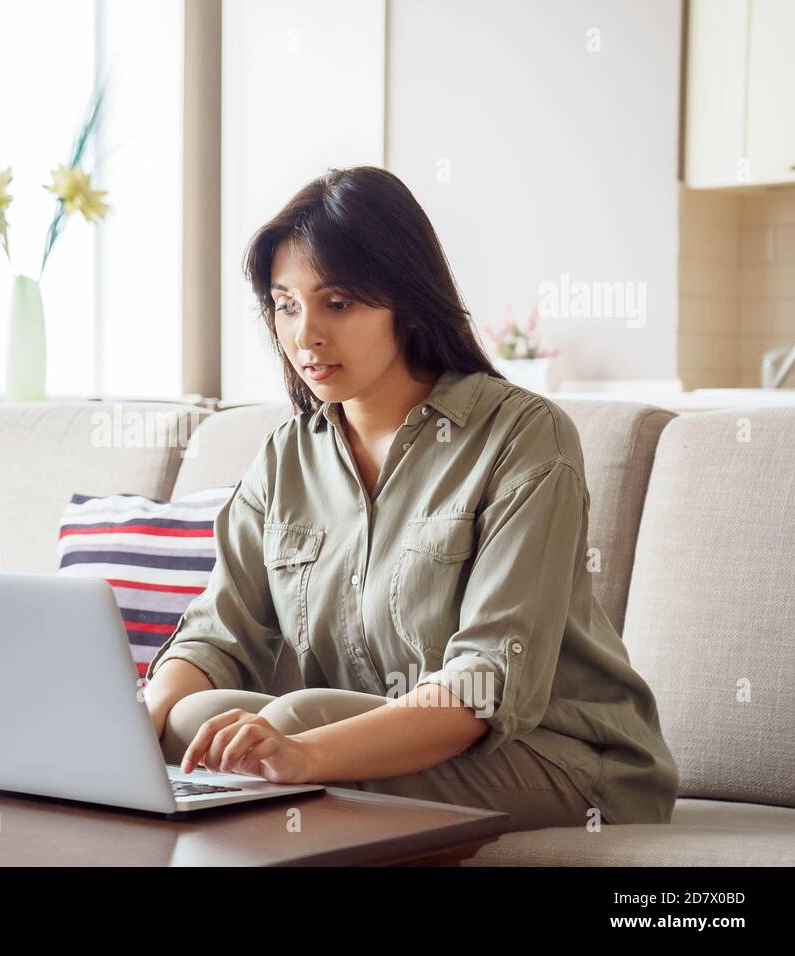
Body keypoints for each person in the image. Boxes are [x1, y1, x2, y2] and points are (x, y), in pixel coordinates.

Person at [143, 166, 678, 832]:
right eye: (286, 305)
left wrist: (306, 753)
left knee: (295, 720)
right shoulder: (287, 457)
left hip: (564, 759)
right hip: (377, 738)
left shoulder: (524, 436)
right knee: (194, 721)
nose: (305, 334)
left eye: (338, 303)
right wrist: (140, 718)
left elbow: (484, 679)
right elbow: (219, 636)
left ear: (408, 299)